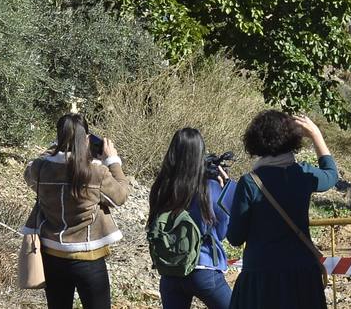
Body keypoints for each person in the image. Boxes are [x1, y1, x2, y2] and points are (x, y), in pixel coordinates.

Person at [227, 111, 339, 309]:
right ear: (292, 139)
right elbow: (331, 175)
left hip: (261, 278)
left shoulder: (250, 183)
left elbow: (235, 238)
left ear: (256, 140)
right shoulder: (303, 174)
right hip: (302, 276)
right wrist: (315, 134)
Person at [23, 114, 129, 309]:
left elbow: (29, 170)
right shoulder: (96, 173)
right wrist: (112, 161)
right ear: (87, 138)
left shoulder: (41, 169)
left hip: (52, 255)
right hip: (88, 258)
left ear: (58, 137)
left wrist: (55, 148)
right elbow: (120, 196)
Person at [149, 128, 236, 309]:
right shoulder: (209, 187)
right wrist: (226, 189)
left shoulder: (161, 187)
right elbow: (221, 233)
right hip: (203, 270)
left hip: (170, 271)